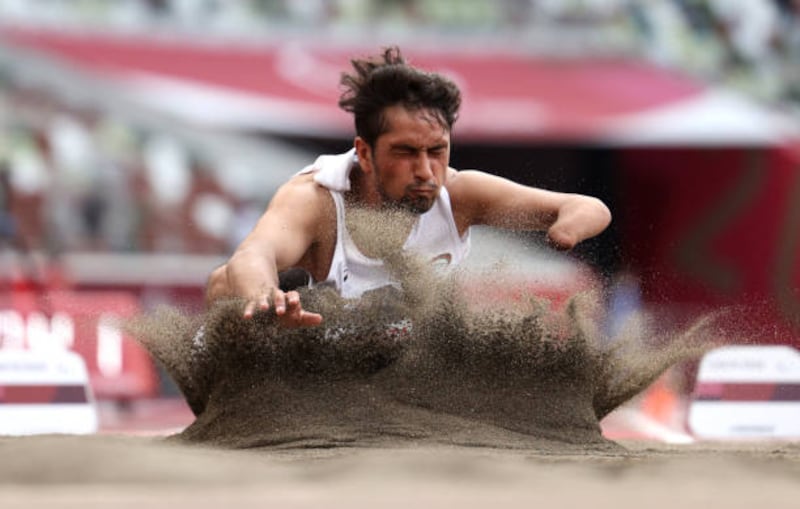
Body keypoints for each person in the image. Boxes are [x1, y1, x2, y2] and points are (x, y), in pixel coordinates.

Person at [205, 47, 612, 328]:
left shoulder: (462, 195)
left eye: (437, 151)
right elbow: (252, 255)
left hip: (384, 364)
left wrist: (565, 227)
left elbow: (587, 207)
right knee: (227, 285)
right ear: (364, 154)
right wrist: (267, 300)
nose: (425, 171)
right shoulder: (315, 201)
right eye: (405, 152)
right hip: (296, 347)